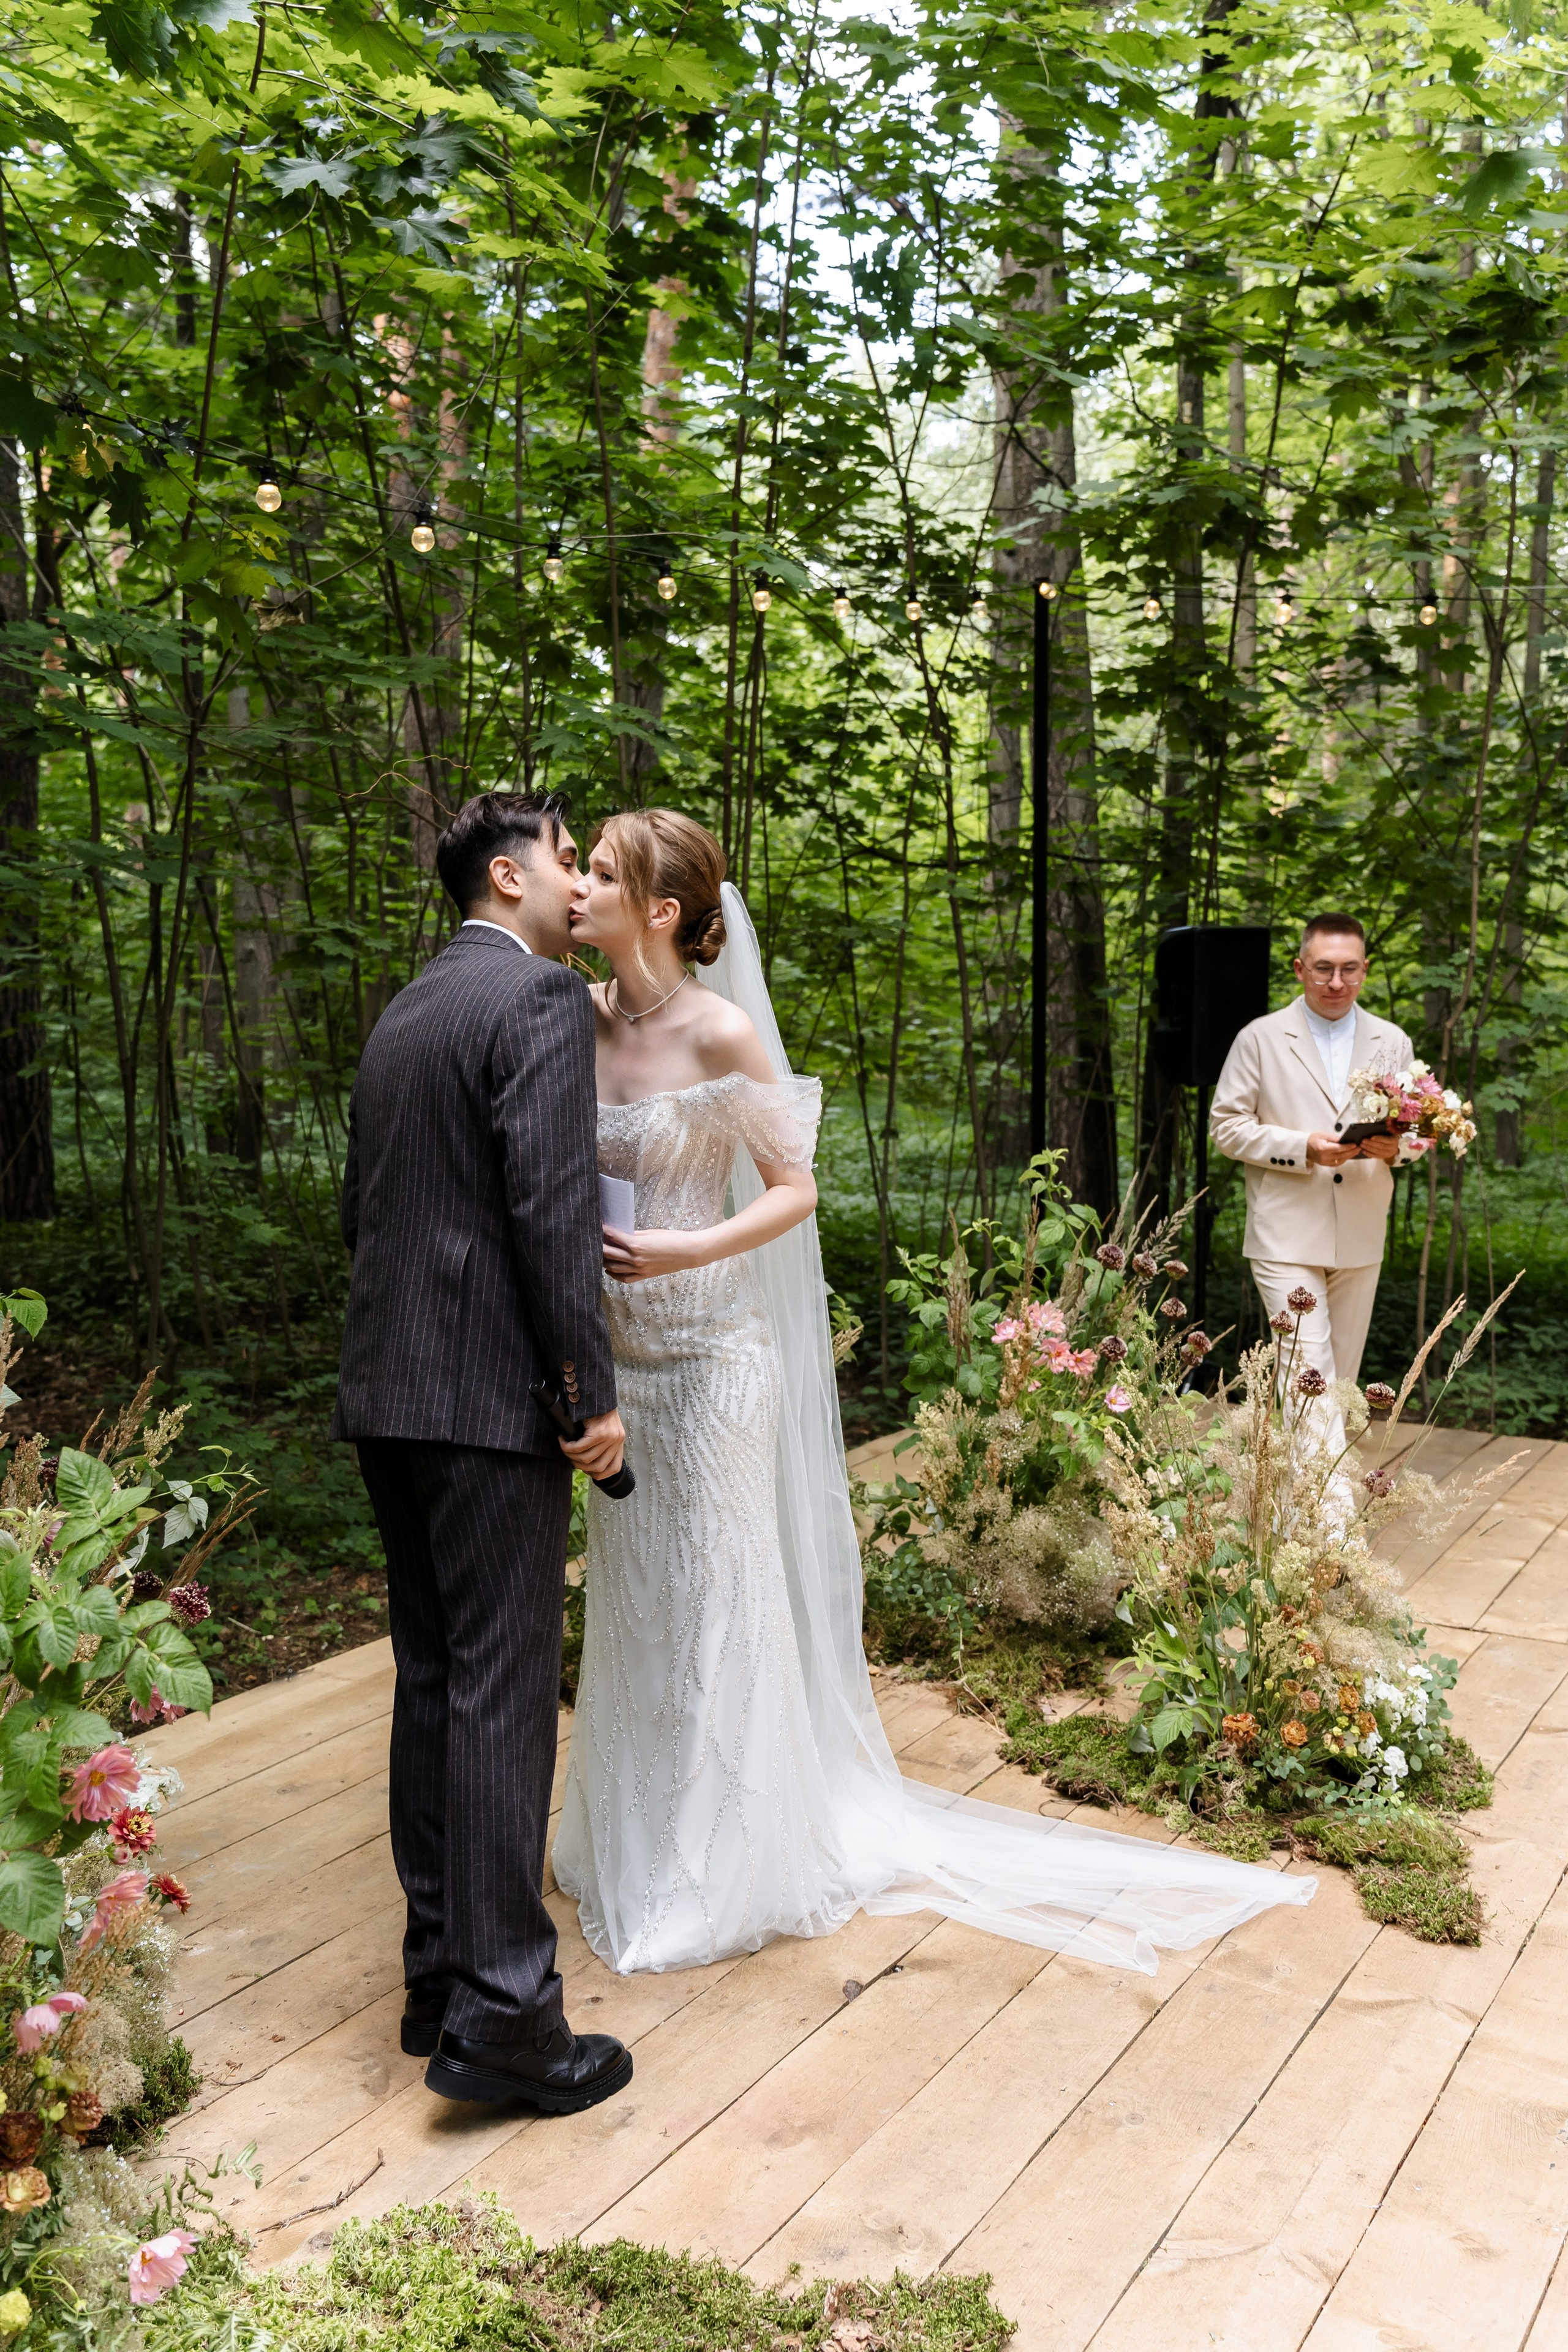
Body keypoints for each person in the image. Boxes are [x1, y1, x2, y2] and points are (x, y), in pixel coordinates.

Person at [552, 807, 1317, 1978]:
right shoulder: (577, 1016)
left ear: (660, 911)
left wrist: (688, 1252)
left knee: (715, 1598)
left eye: (600, 875)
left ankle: (721, 1863)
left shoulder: (718, 1032)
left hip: (711, 1362)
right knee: (638, 1598)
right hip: (620, 1372)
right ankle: (632, 1836)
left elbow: (794, 1189)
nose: (578, 888)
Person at [332, 790, 635, 2116]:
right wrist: (585, 1399)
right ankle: (509, 2021)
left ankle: (436, 1984)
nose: (580, 884)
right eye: (568, 861)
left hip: (388, 1393)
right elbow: (551, 1216)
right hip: (486, 1404)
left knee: (437, 1683)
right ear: (508, 876)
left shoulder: (408, 1008)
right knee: (505, 1697)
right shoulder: (539, 1005)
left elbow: (366, 1208)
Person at [1209, 912, 1414, 1390]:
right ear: (1300, 969)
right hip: (1286, 1228)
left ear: (1366, 968)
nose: (1337, 982)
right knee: (1307, 1368)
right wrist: (1302, 1147)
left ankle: (1306, 1467)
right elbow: (1226, 1127)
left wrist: (1395, 1149)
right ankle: (1332, 1471)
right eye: (1324, 968)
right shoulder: (1258, 1038)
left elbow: (1416, 1131)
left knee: (1341, 1378)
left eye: (1349, 969)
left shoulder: (1394, 1041)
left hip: (1362, 1227)